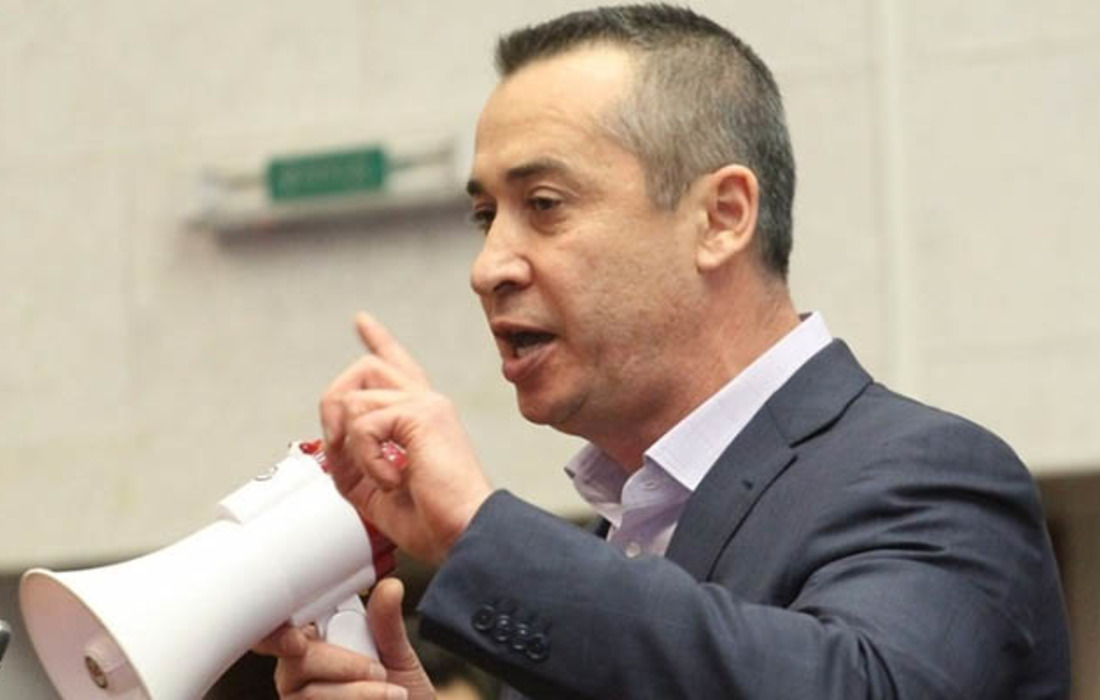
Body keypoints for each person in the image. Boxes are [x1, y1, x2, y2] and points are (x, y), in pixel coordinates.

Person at [255, 4, 1070, 698]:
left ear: (722, 217)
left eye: (545, 204)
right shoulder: (607, 551)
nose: (488, 267)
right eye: (485, 217)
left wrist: (476, 527)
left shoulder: (932, 476)